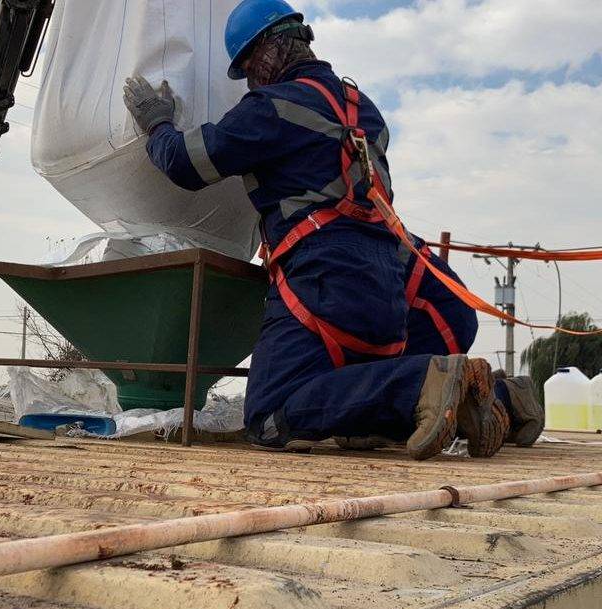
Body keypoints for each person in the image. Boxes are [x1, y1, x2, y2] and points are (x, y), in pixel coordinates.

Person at [123, 0, 542, 458]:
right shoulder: (366, 110)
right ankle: (503, 399)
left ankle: (421, 383)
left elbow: (187, 163)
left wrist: (157, 123)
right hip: (392, 272)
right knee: (352, 393)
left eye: (248, 67)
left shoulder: (270, 109)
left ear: (270, 48)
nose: (252, 79)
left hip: (327, 275)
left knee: (268, 414)